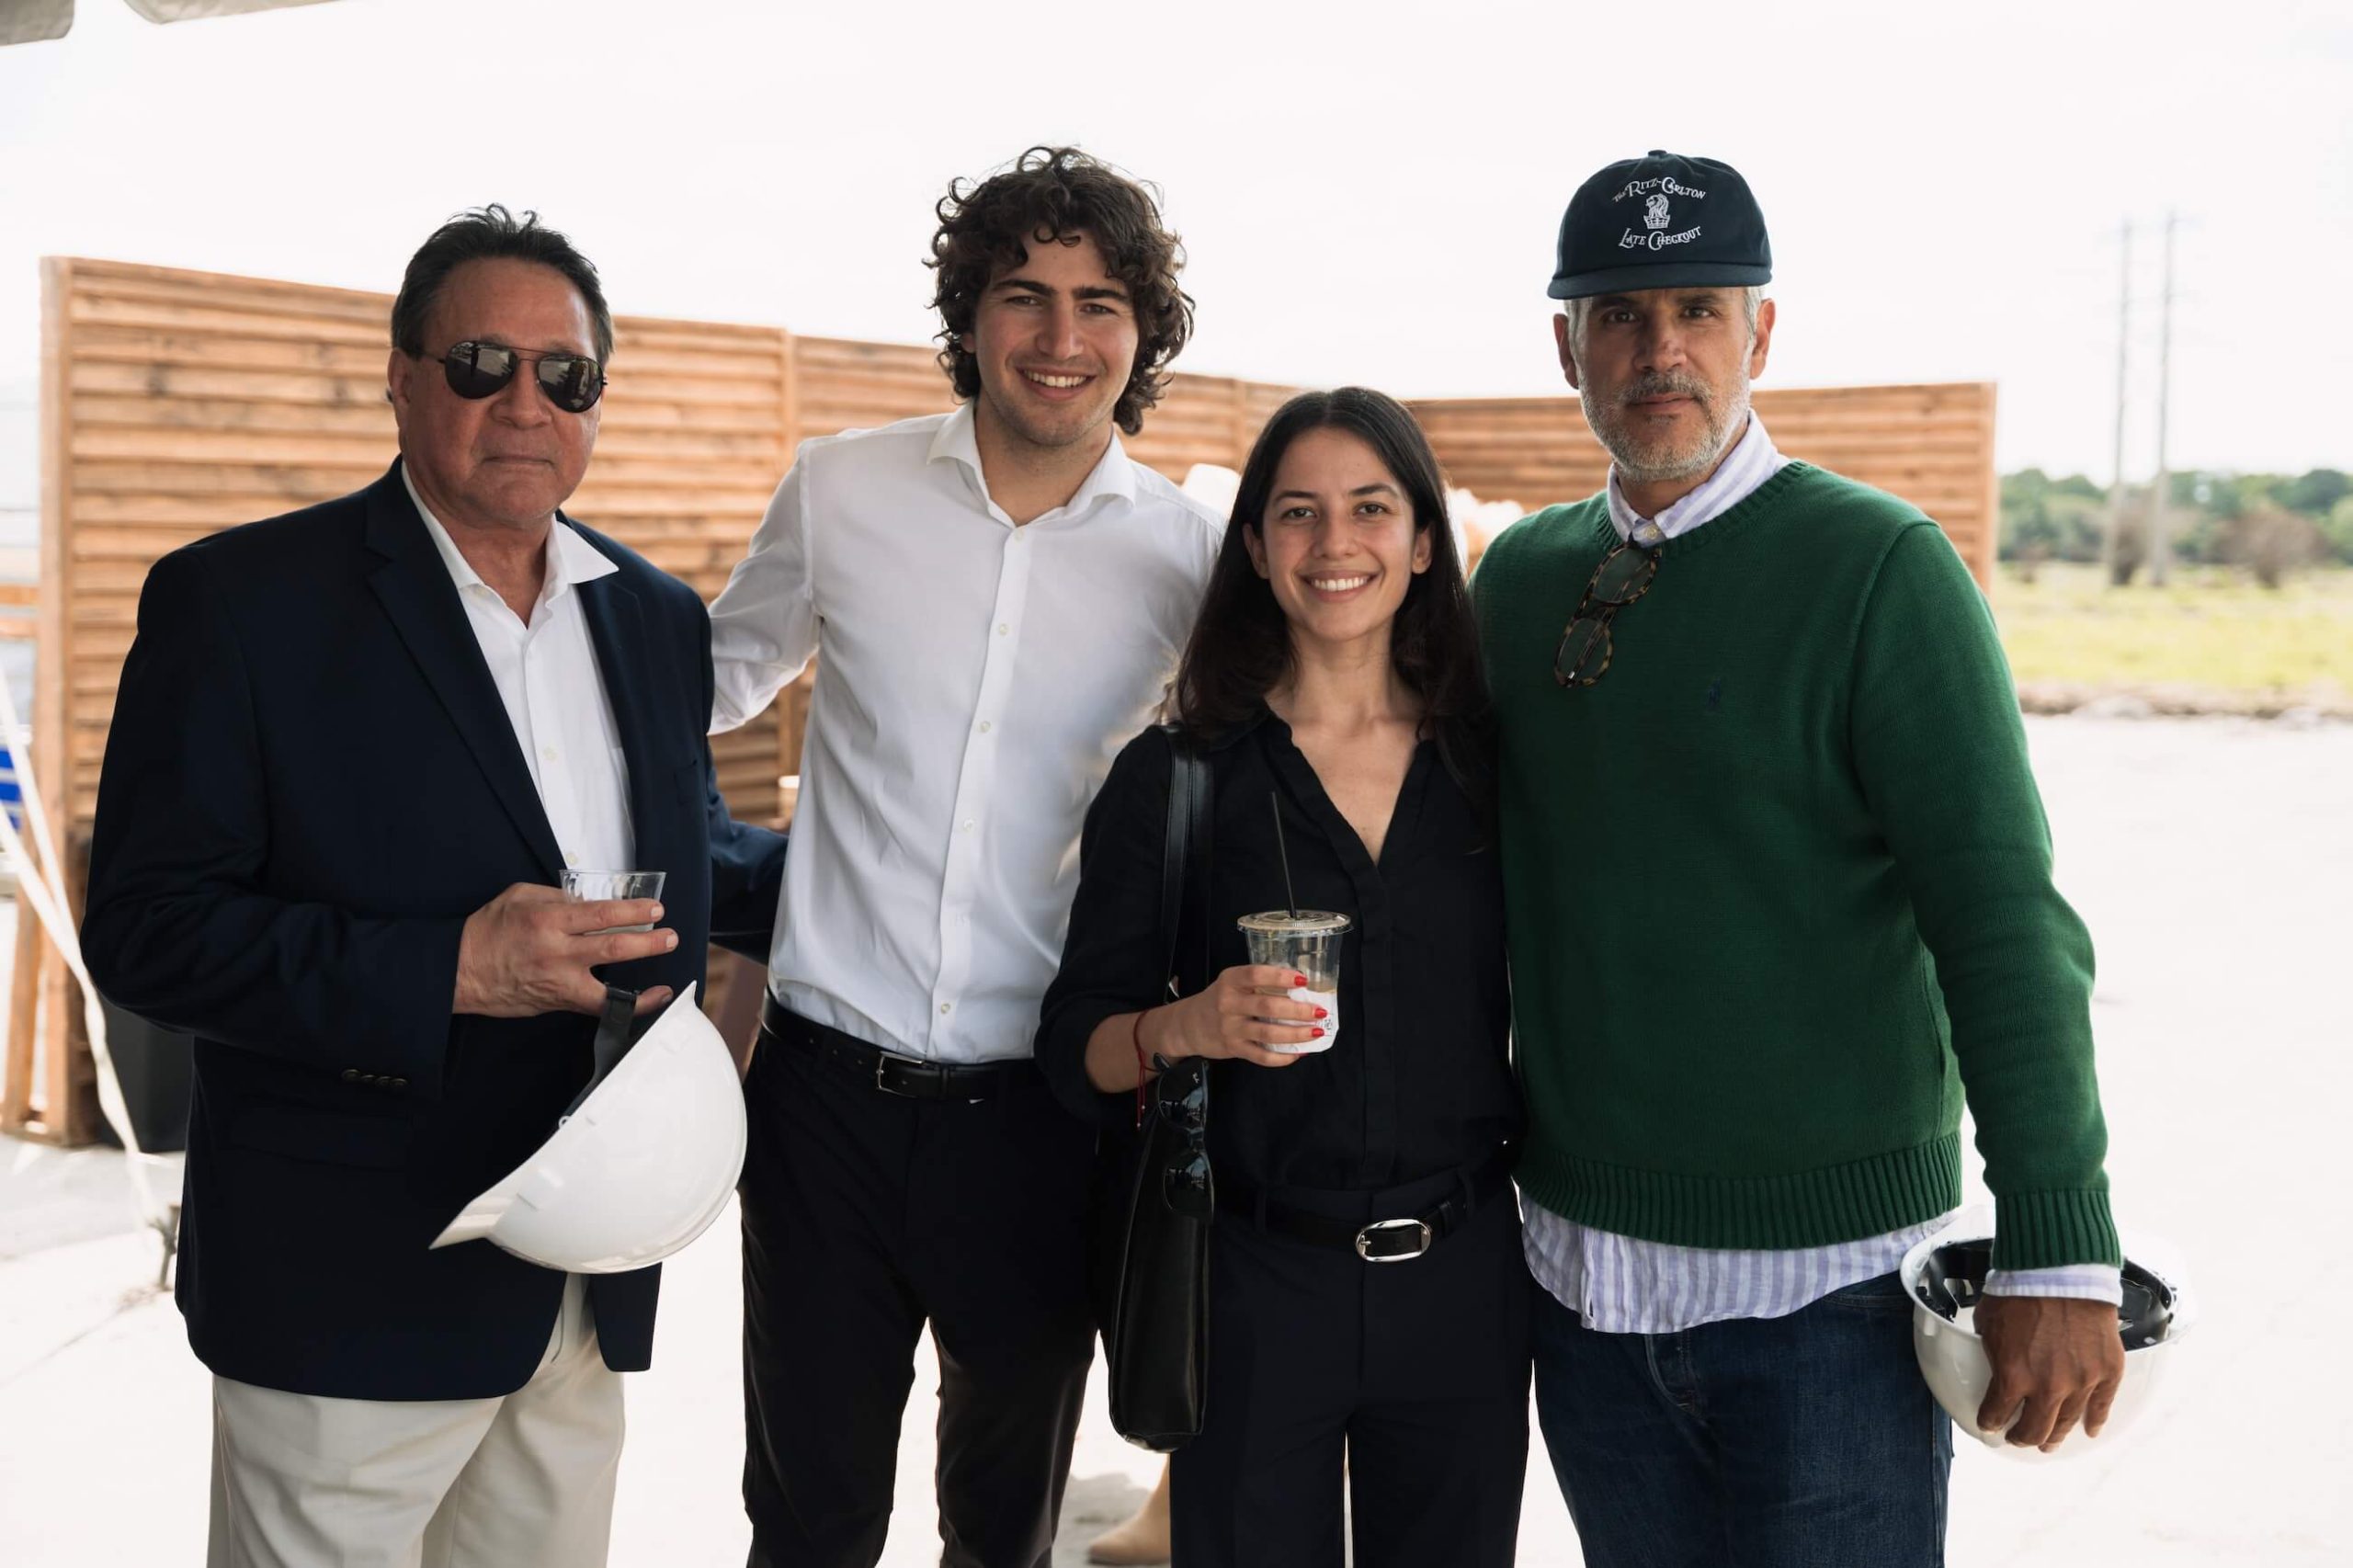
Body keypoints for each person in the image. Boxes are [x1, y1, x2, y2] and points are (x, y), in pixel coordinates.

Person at [80, 205, 787, 1568]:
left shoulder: (653, 615)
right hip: (348, 1280)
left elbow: (684, 844)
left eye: (564, 375)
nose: (525, 403)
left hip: (581, 1273)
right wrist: (455, 967)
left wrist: (916, 874)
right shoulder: (239, 603)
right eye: (480, 363)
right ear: (402, 377)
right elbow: (151, 931)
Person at [1472, 150, 2129, 1563]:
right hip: (1580, 1286)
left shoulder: (1880, 568)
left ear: (1759, 333)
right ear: (1566, 347)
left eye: (1699, 310)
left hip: (1829, 1304)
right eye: (1619, 315)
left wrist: (2061, 1236)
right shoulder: (1518, 583)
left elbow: (2000, 914)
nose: (1661, 350)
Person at [708, 146, 1223, 1568]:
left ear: (1143, 333)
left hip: (1044, 1113)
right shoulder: (841, 489)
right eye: (1025, 294)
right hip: (821, 1105)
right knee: (806, 1522)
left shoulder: (1192, 556)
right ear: (972, 315)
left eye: (1101, 302)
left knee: (1003, 1529)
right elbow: (702, 686)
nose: (1062, 336)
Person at [1038, 388, 1529, 1568]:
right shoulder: (1178, 776)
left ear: (1424, 541)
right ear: (1254, 548)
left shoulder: (1496, 765)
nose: (1334, 541)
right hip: (1253, 1284)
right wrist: (1188, 1022)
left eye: (1371, 507)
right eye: (1298, 512)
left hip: (1464, 1280)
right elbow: (1074, 1046)